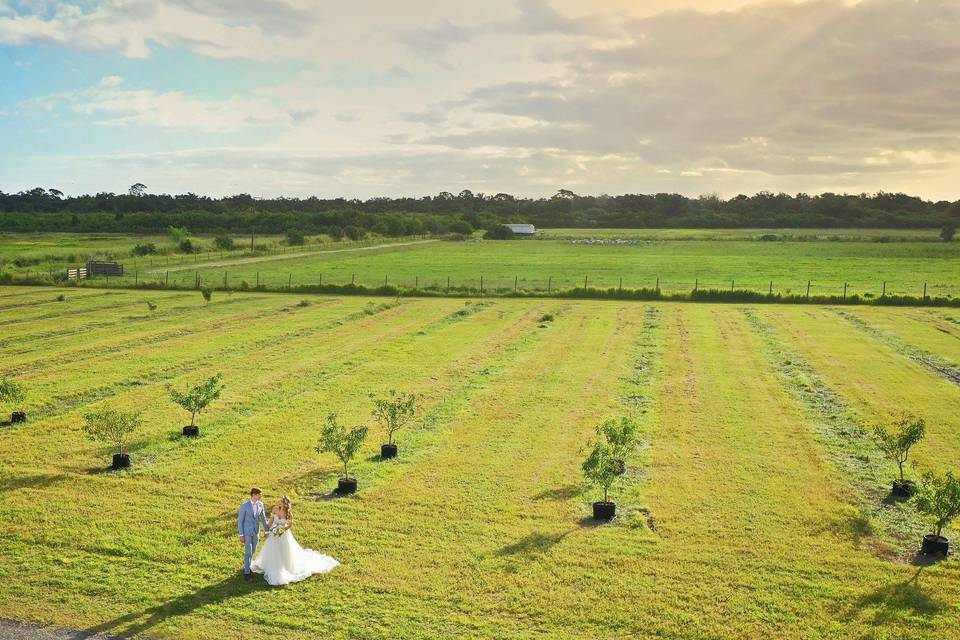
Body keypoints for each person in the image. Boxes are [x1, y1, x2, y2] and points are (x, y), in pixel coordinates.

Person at [251, 495, 339, 586]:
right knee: (272, 548)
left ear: (286, 504)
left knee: (284, 550)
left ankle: (284, 566)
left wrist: (282, 530)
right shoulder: (275, 509)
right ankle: (269, 565)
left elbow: (289, 525)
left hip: (283, 534)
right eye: (280, 501)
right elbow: (270, 521)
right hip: (273, 532)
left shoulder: (289, 514)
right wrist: (267, 530)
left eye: (282, 502)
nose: (280, 503)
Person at [237, 487, 269, 581]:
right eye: (259, 495)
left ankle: (248, 567)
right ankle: (247, 573)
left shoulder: (260, 505)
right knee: (248, 552)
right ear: (254, 495)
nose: (260, 497)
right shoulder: (245, 506)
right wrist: (241, 534)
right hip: (246, 532)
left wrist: (267, 530)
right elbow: (240, 521)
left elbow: (263, 518)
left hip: (256, 532)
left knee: (253, 551)